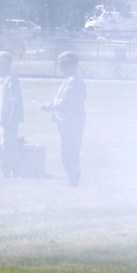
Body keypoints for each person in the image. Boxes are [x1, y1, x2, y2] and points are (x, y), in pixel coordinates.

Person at [38, 51, 86, 186]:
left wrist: (48, 106)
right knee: (69, 152)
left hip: (70, 123)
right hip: (69, 122)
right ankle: (73, 180)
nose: (61, 68)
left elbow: (65, 103)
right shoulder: (72, 80)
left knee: (69, 153)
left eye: (62, 65)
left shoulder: (73, 82)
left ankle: (73, 181)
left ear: (69, 65)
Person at [0, 51, 24, 178]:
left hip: (8, 121)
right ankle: (5, 170)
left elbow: (15, 102)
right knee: (0, 147)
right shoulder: (5, 80)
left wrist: (11, 119)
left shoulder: (11, 79)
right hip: (1, 120)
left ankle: (18, 170)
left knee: (8, 147)